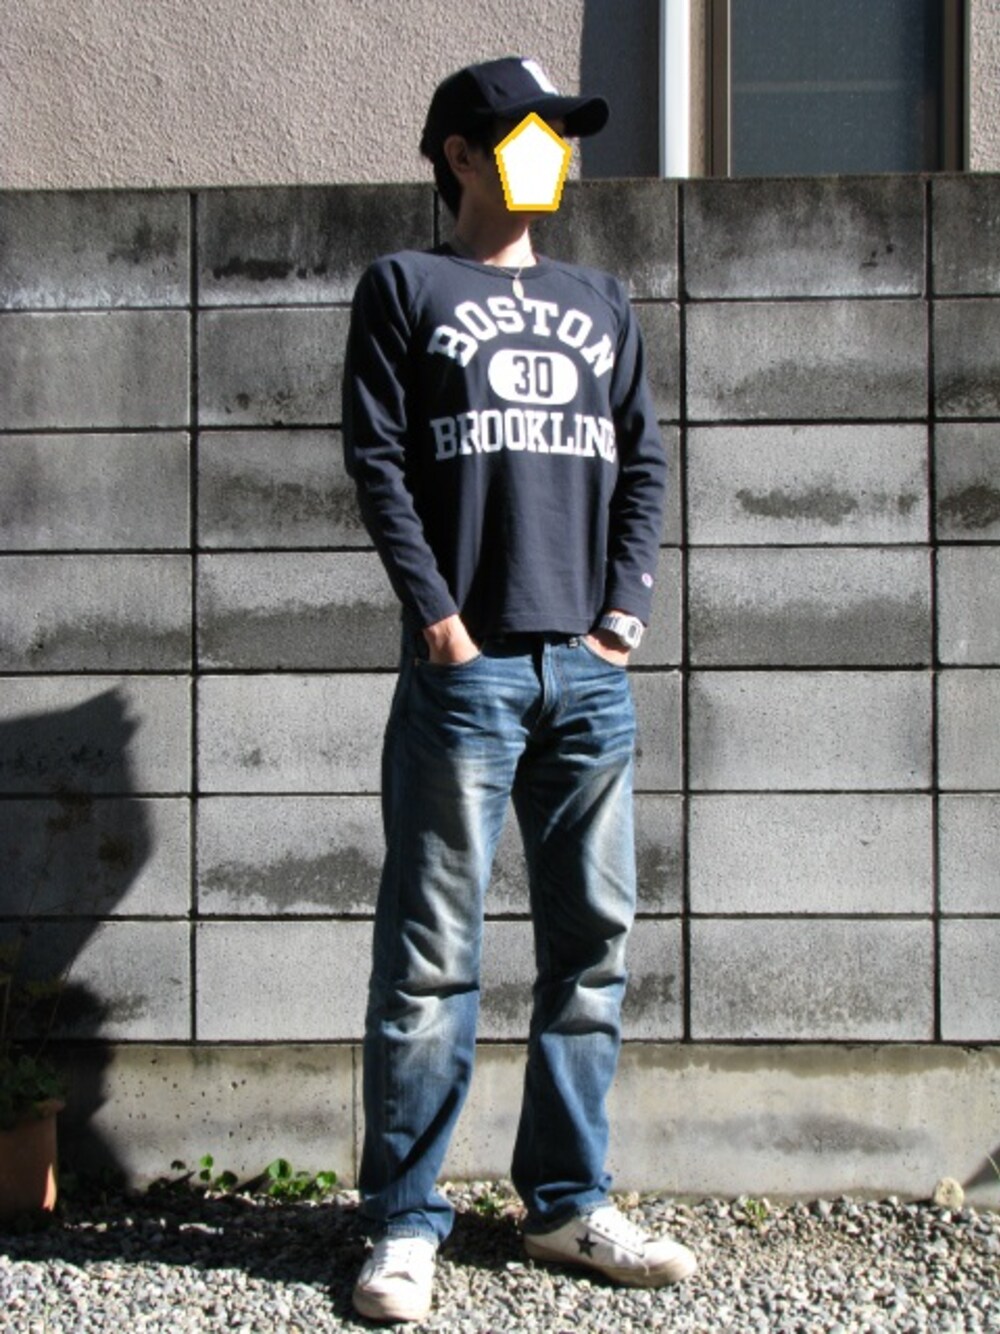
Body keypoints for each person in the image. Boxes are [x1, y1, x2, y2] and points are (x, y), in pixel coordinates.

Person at [342, 56, 696, 1324]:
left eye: (562, 134)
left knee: (592, 944)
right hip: (468, 671)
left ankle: (562, 1200)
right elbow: (378, 460)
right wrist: (440, 623)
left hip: (587, 676)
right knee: (431, 955)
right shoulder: (405, 286)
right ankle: (403, 1220)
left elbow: (643, 462)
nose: (554, 152)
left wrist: (621, 622)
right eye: (528, 134)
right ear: (459, 154)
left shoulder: (600, 299)